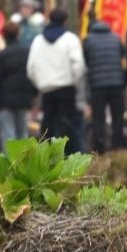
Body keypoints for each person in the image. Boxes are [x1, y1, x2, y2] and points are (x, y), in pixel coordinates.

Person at [26, 8, 85, 154]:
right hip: (66, 88)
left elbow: (31, 68)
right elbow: (78, 65)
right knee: (66, 125)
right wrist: (75, 82)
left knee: (48, 125)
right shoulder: (70, 39)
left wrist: (39, 83)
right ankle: (66, 157)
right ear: (65, 21)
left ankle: (47, 157)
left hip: (46, 89)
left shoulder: (38, 40)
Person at [0, 21, 36, 147]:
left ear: (4, 35)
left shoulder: (0, 56)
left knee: (7, 133)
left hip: (4, 99)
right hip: (24, 97)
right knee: (23, 132)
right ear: (18, 34)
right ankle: (24, 162)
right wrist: (33, 93)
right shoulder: (28, 53)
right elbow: (34, 74)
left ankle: (10, 163)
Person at [83, 20, 127, 153]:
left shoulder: (88, 40)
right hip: (116, 83)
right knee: (117, 117)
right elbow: (123, 55)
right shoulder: (116, 38)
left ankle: (99, 148)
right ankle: (117, 146)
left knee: (98, 118)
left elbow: (85, 62)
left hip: (97, 84)